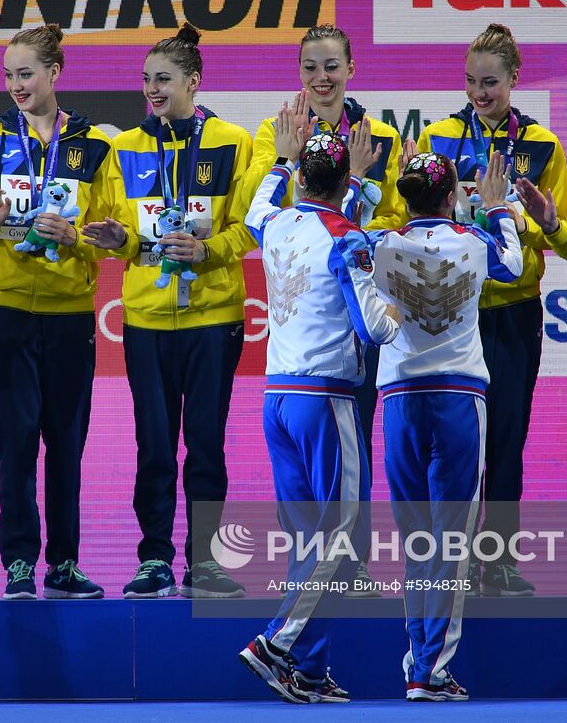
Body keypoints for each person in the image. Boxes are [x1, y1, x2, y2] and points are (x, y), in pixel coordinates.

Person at [81, 24, 254, 600]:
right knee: (154, 444)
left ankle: (205, 562)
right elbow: (122, 231)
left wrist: (208, 251)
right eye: (147, 80)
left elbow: (246, 227)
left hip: (213, 317)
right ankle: (154, 558)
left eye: (164, 79)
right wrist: (118, 240)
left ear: (193, 82)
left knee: (205, 442)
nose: (153, 90)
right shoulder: (125, 146)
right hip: (147, 319)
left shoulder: (233, 140)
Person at [417, 24, 567, 598]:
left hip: (514, 311)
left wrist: (528, 222)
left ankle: (503, 560)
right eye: (469, 82)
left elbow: (563, 240)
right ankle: (453, 557)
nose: (478, 93)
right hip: (453, 312)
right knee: (455, 439)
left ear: (515, 80)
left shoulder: (542, 145)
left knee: (507, 437)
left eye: (489, 82)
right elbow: (412, 214)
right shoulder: (438, 136)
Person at [234, 116, 400, 703]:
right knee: (345, 539)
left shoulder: (274, 221)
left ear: (301, 177)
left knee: (312, 543)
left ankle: (307, 669)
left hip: (276, 397)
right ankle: (276, 644)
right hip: (325, 401)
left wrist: (281, 161)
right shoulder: (346, 236)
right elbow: (373, 329)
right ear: (343, 182)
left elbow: (256, 207)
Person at [0, 24, 115, 600]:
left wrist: (76, 235)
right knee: (17, 436)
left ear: (54, 73)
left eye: (25, 73)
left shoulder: (94, 144)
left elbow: (109, 231)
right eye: (8, 75)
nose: (15, 85)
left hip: (71, 312)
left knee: (66, 441)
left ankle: (65, 562)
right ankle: (20, 562)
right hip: (7, 311)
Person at [376, 150, 522, 701]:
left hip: (399, 401)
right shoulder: (474, 241)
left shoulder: (383, 244)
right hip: (458, 400)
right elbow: (514, 264)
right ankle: (429, 671)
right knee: (451, 542)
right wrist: (498, 206)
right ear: (450, 198)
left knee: (415, 540)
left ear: (406, 198)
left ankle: (420, 656)